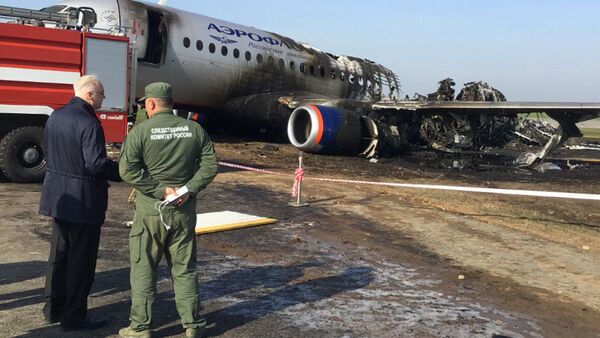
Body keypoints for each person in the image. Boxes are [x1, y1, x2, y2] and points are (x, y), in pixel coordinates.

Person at [118, 82, 218, 338]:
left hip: (151, 213)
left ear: (151, 104)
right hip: (183, 213)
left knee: (144, 268)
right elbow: (210, 166)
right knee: (184, 269)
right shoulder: (194, 129)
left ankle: (140, 327)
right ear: (170, 103)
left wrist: (160, 190)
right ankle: (193, 325)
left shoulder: (140, 132)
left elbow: (127, 170)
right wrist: (187, 190)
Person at [39, 74, 121, 331]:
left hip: (58, 197)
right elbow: (95, 164)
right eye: (102, 94)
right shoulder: (90, 123)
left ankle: (53, 309)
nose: (103, 99)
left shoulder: (55, 116)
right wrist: (122, 171)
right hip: (84, 201)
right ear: (89, 95)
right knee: (81, 261)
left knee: (59, 255)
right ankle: (74, 316)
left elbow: (48, 151)